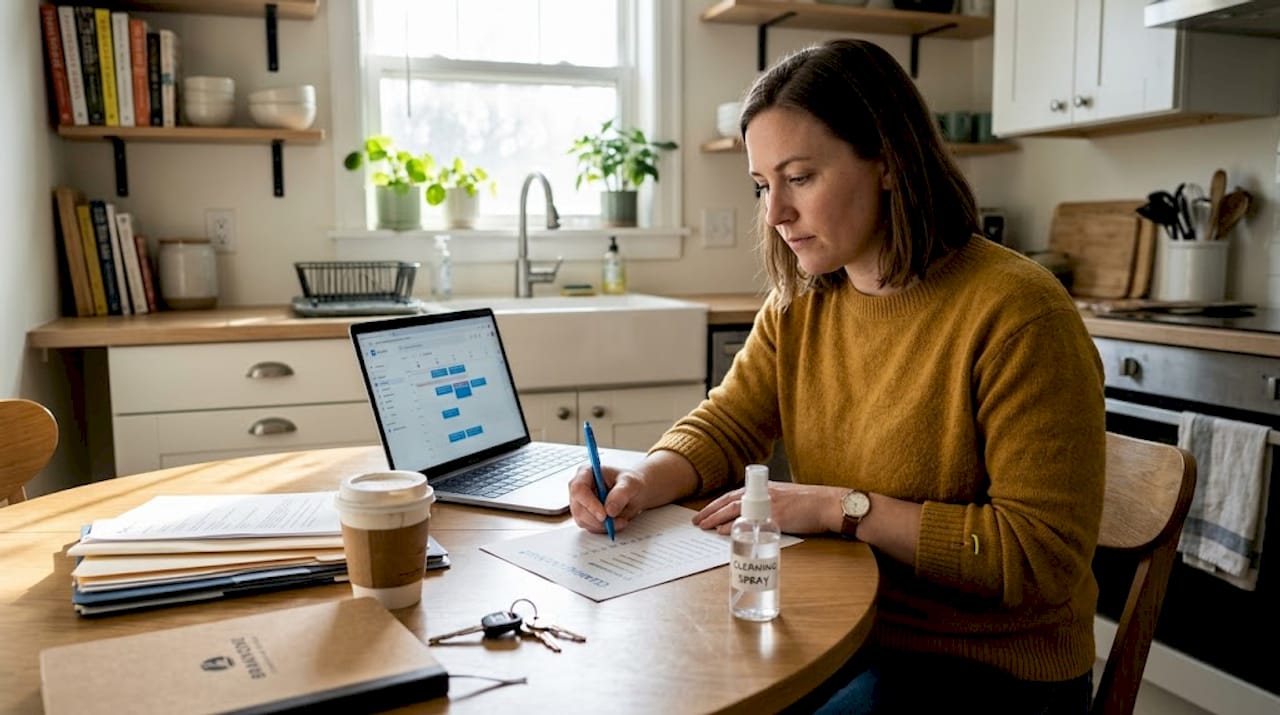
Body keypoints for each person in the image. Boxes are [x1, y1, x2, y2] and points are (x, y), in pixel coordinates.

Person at [568, 39, 1105, 714]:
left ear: (886, 161)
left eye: (799, 178)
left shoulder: (1020, 312)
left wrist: (839, 507)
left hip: (990, 668)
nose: (775, 214)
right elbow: (728, 422)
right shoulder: (803, 302)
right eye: (764, 186)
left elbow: (1038, 558)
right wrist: (645, 477)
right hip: (845, 631)